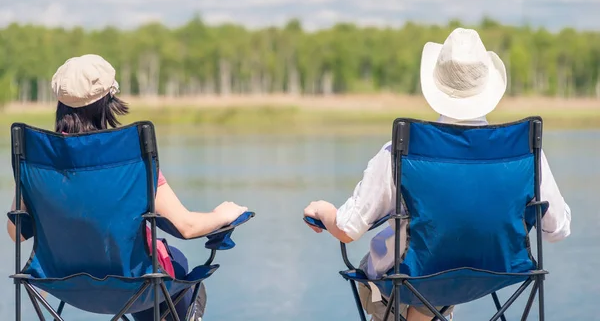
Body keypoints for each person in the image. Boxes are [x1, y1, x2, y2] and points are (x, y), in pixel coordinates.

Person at [303, 28, 572, 321]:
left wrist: (322, 210)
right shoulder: (525, 152)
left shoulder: (402, 151)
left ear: (436, 87)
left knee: (392, 266)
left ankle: (420, 310)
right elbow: (557, 229)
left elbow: (348, 228)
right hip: (499, 273)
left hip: (411, 278)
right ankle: (428, 311)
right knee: (425, 272)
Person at [6, 54, 248, 321]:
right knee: (172, 262)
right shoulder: (130, 159)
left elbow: (15, 233)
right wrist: (223, 214)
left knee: (151, 270)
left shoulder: (39, 163)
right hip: (135, 286)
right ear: (107, 101)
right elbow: (186, 227)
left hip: (63, 285)